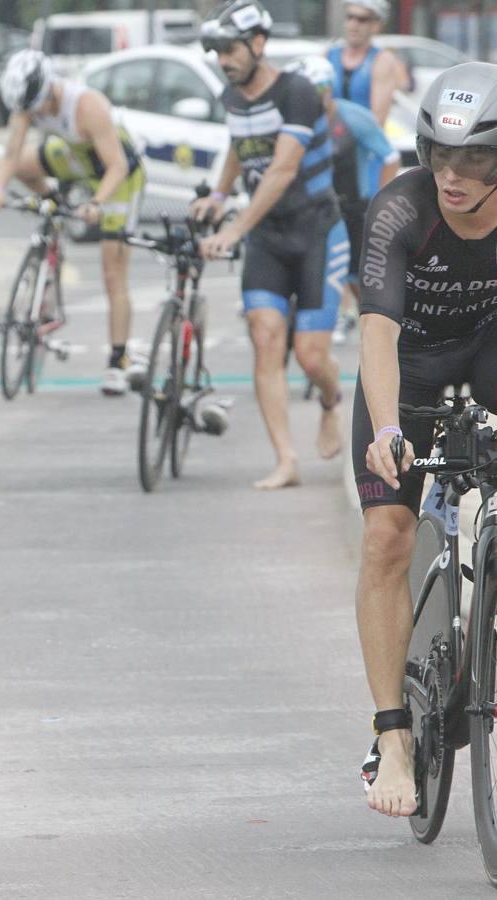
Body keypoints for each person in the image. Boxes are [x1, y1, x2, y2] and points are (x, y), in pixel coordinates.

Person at [351, 62, 497, 818]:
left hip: (485, 356)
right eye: (443, 154)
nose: (456, 173)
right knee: (388, 536)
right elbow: (375, 330)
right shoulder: (401, 209)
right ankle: (395, 735)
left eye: (476, 157)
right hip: (404, 376)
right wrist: (383, 429)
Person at [191, 0, 347, 490]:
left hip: (317, 229)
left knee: (311, 356)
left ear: (259, 44)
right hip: (269, 237)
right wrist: (218, 195)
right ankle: (286, 458)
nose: (223, 60)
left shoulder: (297, 92)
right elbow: (242, 150)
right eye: (216, 51)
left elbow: (281, 169)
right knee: (264, 338)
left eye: (230, 49)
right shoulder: (231, 98)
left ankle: (328, 400)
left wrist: (233, 228)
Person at [0, 48, 147, 396]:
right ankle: (54, 206)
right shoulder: (26, 104)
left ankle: (118, 360)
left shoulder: (87, 106)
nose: (32, 115)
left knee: (112, 272)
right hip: (77, 158)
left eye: (36, 108)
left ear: (49, 90)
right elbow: (12, 154)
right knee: (25, 166)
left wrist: (95, 204)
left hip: (117, 177)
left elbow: (117, 166)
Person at [287, 56, 400, 345]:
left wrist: (380, 201)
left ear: (328, 90)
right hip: (312, 208)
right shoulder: (296, 121)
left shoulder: (353, 117)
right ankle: (328, 313)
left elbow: (389, 156)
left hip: (353, 207)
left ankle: (378, 321)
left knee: (356, 277)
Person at [328, 0, 408, 128]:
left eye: (362, 19)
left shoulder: (382, 60)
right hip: (330, 141)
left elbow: (376, 122)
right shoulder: (329, 54)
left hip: (362, 142)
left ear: (376, 25)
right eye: (350, 17)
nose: (354, 25)